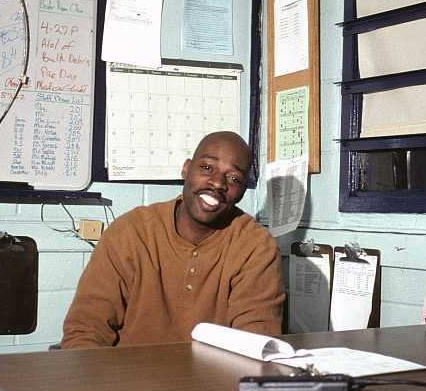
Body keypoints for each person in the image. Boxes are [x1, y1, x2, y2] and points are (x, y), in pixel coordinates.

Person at [61, 131, 286, 348]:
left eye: (233, 178)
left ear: (242, 192)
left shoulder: (256, 248)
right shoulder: (131, 232)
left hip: (213, 383)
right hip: (127, 380)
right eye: (207, 167)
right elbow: (85, 332)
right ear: (186, 169)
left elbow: (255, 343)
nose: (218, 183)